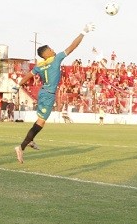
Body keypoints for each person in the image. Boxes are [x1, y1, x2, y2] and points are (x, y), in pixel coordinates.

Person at [12, 22, 95, 163]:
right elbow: (72, 47)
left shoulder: (40, 65)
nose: (53, 49)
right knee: (41, 122)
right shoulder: (56, 59)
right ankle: (21, 147)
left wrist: (18, 86)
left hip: (43, 92)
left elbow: (28, 76)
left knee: (40, 121)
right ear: (47, 52)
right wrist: (83, 32)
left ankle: (31, 140)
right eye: (50, 48)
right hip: (48, 95)